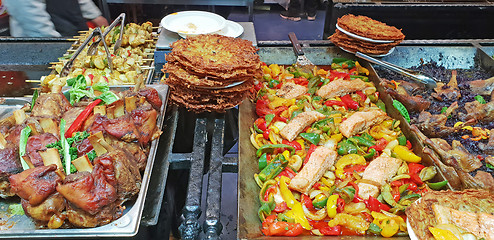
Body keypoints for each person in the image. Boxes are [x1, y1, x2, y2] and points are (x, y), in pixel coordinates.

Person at [3, 0, 108, 37]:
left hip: (71, 31)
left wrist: (95, 16)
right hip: (40, 44)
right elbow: (29, 12)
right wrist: (53, 43)